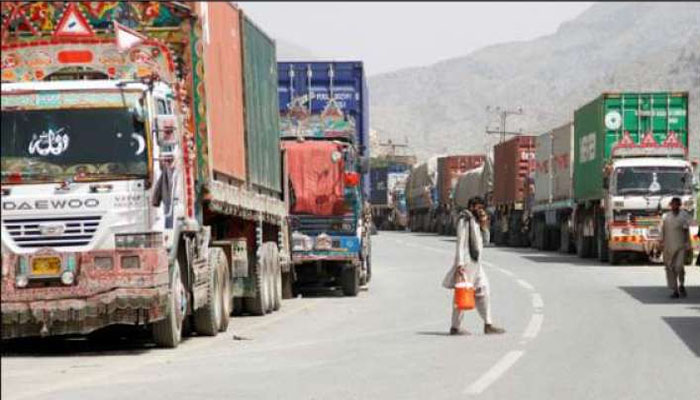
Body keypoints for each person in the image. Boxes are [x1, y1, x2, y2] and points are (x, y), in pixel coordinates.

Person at [442, 196, 505, 335]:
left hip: (476, 264)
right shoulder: (464, 220)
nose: (481, 210)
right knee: (463, 292)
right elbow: (461, 243)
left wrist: (484, 225)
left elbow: (486, 241)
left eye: (482, 208)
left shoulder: (476, 221)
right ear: (471, 207)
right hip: (466, 263)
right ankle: (455, 327)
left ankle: (488, 324)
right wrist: (460, 264)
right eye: (479, 207)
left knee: (484, 289)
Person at [660, 197, 692, 299]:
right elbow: (662, 231)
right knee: (670, 268)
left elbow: (686, 230)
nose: (674, 206)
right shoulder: (665, 216)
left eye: (676, 204)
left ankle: (681, 284)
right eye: (672, 204)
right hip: (668, 246)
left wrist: (688, 244)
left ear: (679, 205)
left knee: (679, 266)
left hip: (681, 245)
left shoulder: (684, 215)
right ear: (670, 205)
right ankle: (675, 290)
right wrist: (661, 242)